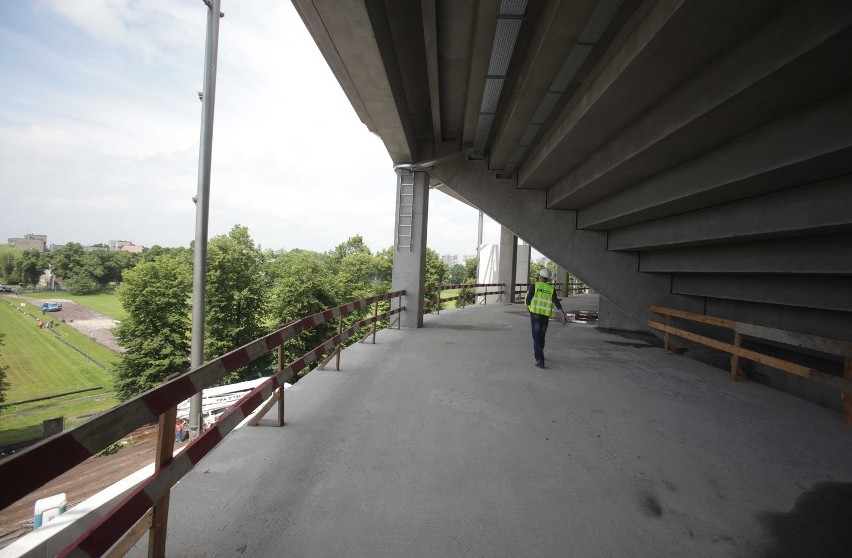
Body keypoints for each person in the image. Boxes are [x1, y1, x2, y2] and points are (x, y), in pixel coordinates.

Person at [526, 268, 567, 368]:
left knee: (536, 338)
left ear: (540, 277)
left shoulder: (534, 286)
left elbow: (528, 300)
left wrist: (529, 311)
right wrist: (562, 313)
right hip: (545, 317)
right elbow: (556, 301)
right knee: (541, 336)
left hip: (535, 315)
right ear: (548, 279)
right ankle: (540, 354)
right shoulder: (551, 289)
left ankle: (540, 360)